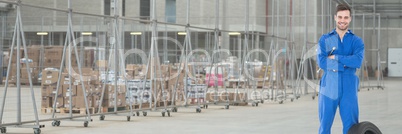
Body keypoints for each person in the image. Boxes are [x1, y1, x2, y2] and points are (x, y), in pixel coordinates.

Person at [317, 4, 364, 134]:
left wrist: (336, 57)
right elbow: (322, 62)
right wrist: (345, 64)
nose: (342, 20)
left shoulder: (356, 41)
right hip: (329, 85)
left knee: (351, 126)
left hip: (349, 85)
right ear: (335, 18)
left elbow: (357, 61)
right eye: (340, 17)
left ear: (350, 19)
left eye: (345, 17)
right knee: (324, 125)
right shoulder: (326, 39)